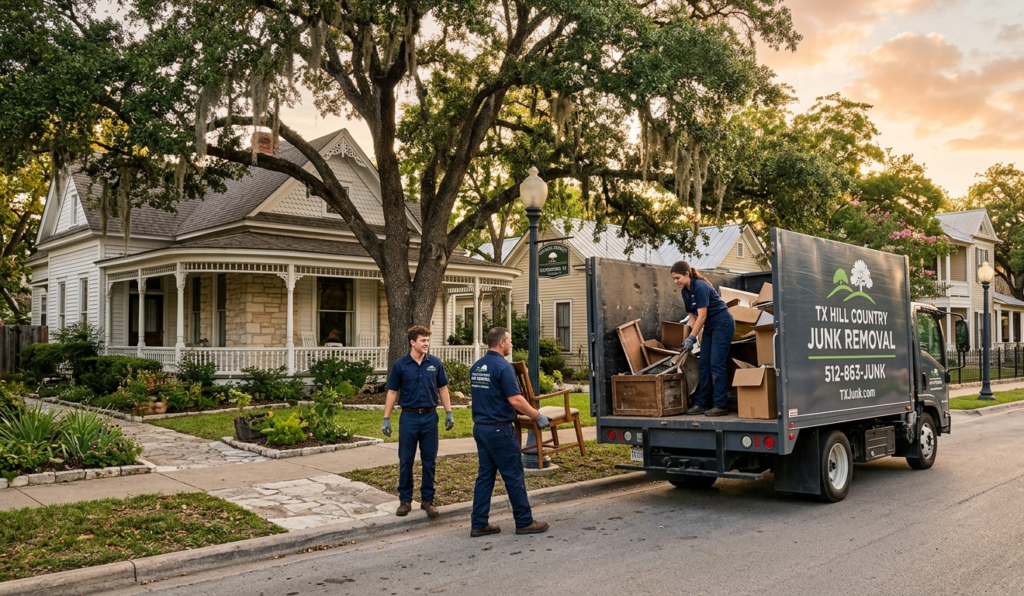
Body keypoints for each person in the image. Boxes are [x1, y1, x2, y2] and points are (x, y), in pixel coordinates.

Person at [467, 326, 551, 538]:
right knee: (513, 475)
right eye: (510, 341)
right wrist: (537, 415)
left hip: (481, 428)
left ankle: (479, 523)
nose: (512, 344)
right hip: (500, 430)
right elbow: (515, 399)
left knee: (485, 476)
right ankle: (524, 522)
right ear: (501, 343)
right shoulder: (504, 368)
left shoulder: (477, 367)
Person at [382, 325, 454, 518]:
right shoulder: (400, 365)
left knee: (429, 460)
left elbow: (443, 389)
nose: (426, 344)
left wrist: (449, 412)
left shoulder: (435, 363)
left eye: (428, 340)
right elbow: (392, 392)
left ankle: (427, 500)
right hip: (409, 417)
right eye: (423, 340)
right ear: (412, 342)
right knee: (406, 460)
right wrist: (386, 418)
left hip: (430, 417)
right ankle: (405, 501)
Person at [671, 261, 735, 417]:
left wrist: (692, 337)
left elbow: (703, 316)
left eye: (678, 277)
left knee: (716, 364)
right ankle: (701, 403)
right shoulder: (685, 292)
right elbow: (692, 318)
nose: (676, 282)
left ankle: (720, 405)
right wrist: (688, 340)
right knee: (704, 364)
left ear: (687, 274)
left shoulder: (699, 286)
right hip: (710, 326)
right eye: (673, 279)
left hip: (722, 323)